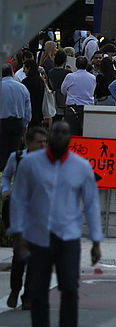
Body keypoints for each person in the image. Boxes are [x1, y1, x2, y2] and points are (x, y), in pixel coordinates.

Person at [9, 121, 102, 327]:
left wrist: (96, 240)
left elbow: (91, 204)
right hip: (38, 237)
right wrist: (18, 233)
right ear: (50, 136)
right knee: (38, 291)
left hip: (68, 237)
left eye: (64, 133)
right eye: (56, 132)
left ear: (70, 138)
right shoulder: (30, 163)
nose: (59, 136)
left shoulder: (81, 167)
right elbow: (18, 199)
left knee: (69, 288)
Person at [2, 126, 48, 309]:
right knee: (19, 255)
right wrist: (5, 190)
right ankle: (15, 289)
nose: (43, 145)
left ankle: (28, 296)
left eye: (45, 142)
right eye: (39, 142)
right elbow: (6, 176)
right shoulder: (17, 158)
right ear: (28, 142)